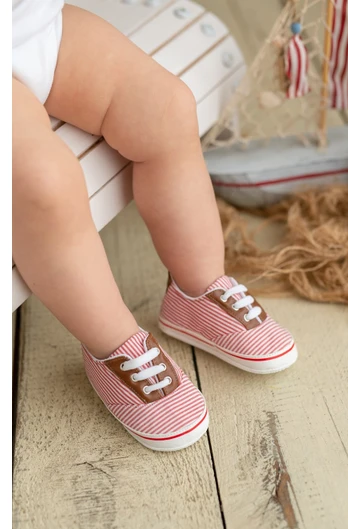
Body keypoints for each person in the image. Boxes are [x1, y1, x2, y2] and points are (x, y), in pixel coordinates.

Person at [12, 0, 297, 451]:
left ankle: (197, 290)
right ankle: (114, 345)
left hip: (32, 27)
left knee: (165, 106)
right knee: (46, 183)